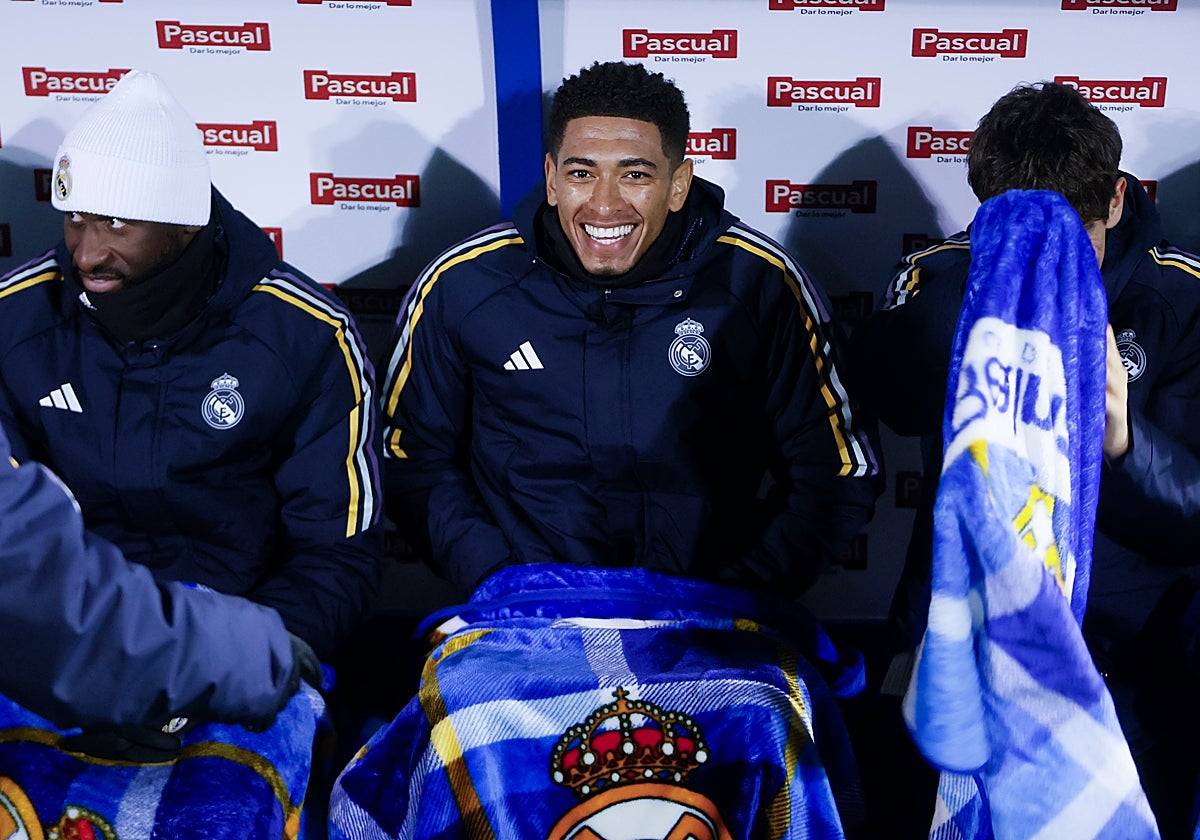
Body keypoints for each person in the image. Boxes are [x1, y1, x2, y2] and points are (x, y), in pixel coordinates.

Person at [379, 60, 881, 600]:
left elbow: (838, 471)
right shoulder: (464, 284)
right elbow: (409, 456)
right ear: (551, 179)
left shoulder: (760, 283)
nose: (604, 204)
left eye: (635, 174)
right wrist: (503, 581)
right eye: (581, 173)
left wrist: (728, 596)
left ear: (678, 184)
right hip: (523, 615)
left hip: (708, 620)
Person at [854, 81, 1200, 837]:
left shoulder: (1183, 298)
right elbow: (887, 403)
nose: (1054, 261)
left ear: (1116, 200)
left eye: (1073, 236)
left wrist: (1125, 443)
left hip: (1127, 662)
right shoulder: (939, 276)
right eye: (1027, 233)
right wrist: (982, 299)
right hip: (965, 641)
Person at [0, 71, 382, 673]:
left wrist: (259, 657)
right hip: (66, 638)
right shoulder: (16, 318)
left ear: (184, 224)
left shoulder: (304, 333)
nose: (86, 253)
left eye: (116, 223)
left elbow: (337, 549)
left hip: (245, 635)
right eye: (75, 218)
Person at [0, 420, 319, 732]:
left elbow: (330, 544)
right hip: (209, 652)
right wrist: (255, 656)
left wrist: (283, 633)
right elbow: (36, 592)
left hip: (209, 640)